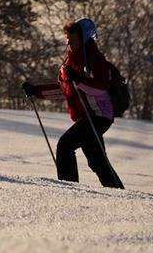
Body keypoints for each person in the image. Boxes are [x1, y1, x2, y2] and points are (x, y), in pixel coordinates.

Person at [23, 17, 124, 188]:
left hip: (99, 116)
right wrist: (36, 91)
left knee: (65, 145)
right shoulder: (69, 63)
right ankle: (119, 194)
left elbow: (100, 88)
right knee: (96, 159)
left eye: (73, 38)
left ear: (83, 39)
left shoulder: (96, 61)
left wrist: (79, 79)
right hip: (86, 117)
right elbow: (64, 90)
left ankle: (69, 189)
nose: (68, 42)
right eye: (68, 38)